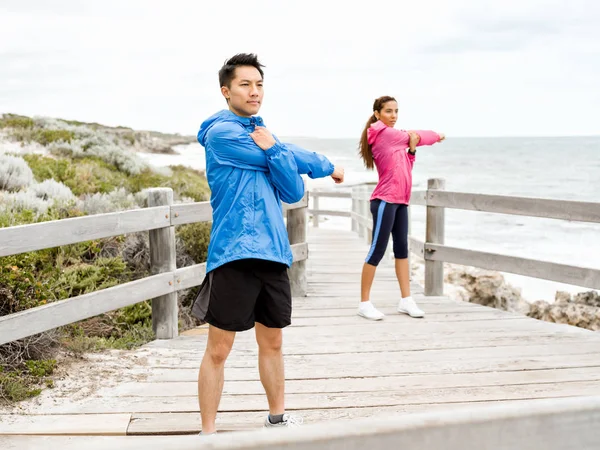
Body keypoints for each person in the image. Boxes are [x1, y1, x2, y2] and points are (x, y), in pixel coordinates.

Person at [192, 53, 344, 435]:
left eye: (259, 84)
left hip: (274, 252)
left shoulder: (263, 135)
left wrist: (273, 148)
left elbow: (292, 190)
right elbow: (289, 160)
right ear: (226, 91)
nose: (254, 91)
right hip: (234, 252)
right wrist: (324, 164)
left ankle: (277, 417)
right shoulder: (221, 134)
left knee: (273, 343)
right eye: (245, 84)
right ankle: (207, 434)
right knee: (218, 350)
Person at [357, 96, 444, 321]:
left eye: (396, 111)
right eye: (388, 111)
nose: (393, 116)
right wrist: (436, 136)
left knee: (402, 250)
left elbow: (406, 165)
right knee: (377, 250)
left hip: (400, 201)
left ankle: (406, 300)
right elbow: (416, 135)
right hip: (385, 200)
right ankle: (364, 303)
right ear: (377, 113)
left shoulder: (395, 140)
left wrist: (412, 151)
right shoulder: (383, 133)